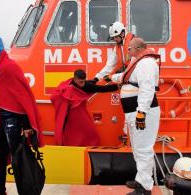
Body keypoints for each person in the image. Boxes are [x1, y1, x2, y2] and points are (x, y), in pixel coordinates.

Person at [0, 35, 44, 195]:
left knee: (18, 159)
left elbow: (22, 97)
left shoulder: (9, 67)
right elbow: (4, 96)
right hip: (3, 122)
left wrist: (27, 125)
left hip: (13, 122)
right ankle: (0, 190)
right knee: (1, 156)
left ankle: (25, 191)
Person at [111, 38, 161, 195]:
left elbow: (147, 89)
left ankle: (145, 188)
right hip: (134, 112)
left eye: (129, 49)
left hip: (142, 113)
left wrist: (141, 113)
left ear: (138, 48)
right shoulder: (139, 63)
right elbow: (127, 78)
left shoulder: (146, 64)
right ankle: (141, 179)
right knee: (138, 148)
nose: (128, 52)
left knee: (143, 149)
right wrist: (110, 77)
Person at [51, 69, 119, 146]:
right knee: (68, 133)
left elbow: (102, 89)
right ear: (75, 80)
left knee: (91, 133)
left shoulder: (84, 85)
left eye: (84, 81)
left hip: (79, 114)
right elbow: (54, 96)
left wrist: (118, 86)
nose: (82, 84)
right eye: (81, 82)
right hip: (69, 115)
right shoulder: (67, 86)